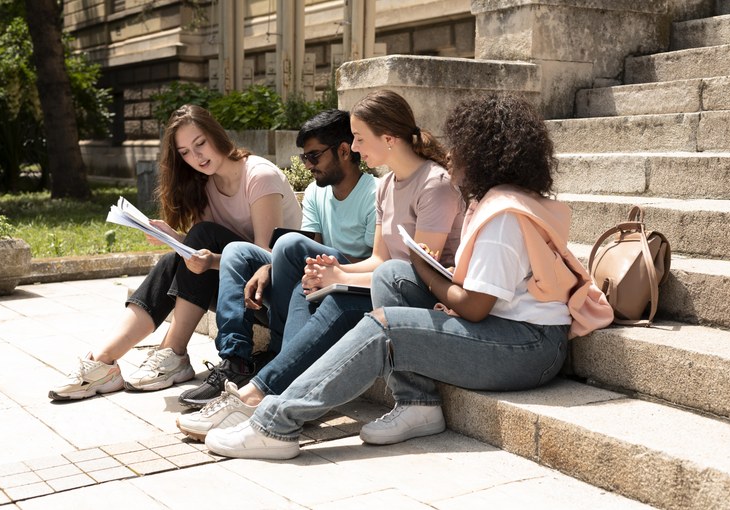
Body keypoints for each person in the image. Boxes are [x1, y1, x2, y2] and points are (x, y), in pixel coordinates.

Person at [199, 92, 614, 459]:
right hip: (516, 334)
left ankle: (274, 422)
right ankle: (417, 404)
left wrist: (426, 273)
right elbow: (464, 291)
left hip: (529, 348)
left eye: (462, 149)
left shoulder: (500, 216)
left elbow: (473, 306)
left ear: (483, 154)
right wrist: (409, 273)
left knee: (386, 325)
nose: (454, 159)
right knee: (392, 274)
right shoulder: (503, 200)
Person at [175, 89, 464, 439]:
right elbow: (380, 258)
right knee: (306, 278)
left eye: (358, 138)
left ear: (388, 139)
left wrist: (341, 275)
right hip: (389, 282)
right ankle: (272, 385)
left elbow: (419, 269)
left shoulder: (434, 184)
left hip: (421, 297)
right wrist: (333, 274)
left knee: (340, 295)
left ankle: (257, 393)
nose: (354, 148)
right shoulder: (387, 185)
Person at [48, 104, 302, 400]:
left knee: (202, 236)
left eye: (200, 144)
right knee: (175, 257)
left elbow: (263, 257)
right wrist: (173, 237)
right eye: (185, 152)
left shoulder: (259, 176)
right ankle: (104, 360)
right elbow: (210, 253)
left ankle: (173, 352)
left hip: (274, 296)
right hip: (238, 291)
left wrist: (205, 257)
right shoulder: (206, 184)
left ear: (216, 135)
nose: (196, 157)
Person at [176, 109, 377, 412]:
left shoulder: (373, 193)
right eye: (304, 159)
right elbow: (311, 250)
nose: (307, 166)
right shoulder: (314, 193)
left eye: (314, 157)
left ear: (344, 151)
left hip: (349, 282)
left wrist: (328, 273)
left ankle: (279, 365)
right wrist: (269, 267)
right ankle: (236, 361)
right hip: (314, 277)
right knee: (236, 251)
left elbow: (377, 262)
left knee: (288, 242)